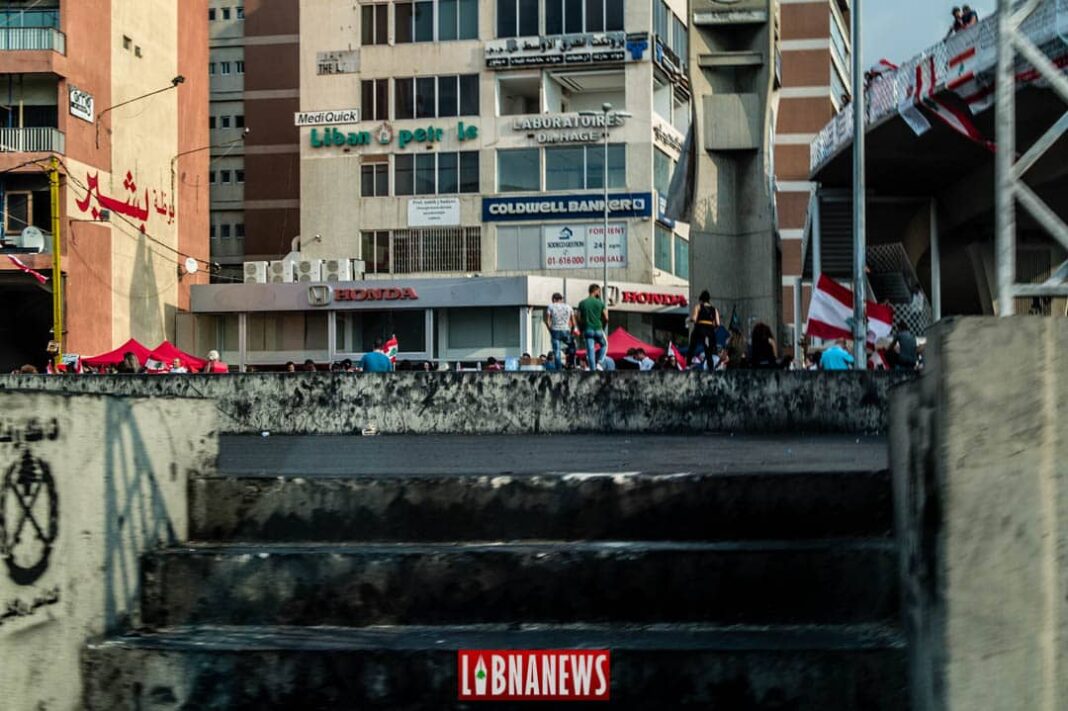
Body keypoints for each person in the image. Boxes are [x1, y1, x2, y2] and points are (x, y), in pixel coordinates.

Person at [577, 283, 608, 371]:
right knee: (604, 345)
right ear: (596, 291)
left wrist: (581, 328)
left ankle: (592, 370)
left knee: (590, 350)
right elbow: (606, 317)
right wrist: (603, 326)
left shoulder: (582, 303)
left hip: (587, 329)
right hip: (598, 328)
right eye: (599, 291)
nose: (599, 293)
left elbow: (578, 318)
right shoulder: (600, 303)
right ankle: (599, 361)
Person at [687, 291, 721, 365]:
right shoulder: (714, 309)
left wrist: (689, 320)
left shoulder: (698, 307)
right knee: (708, 351)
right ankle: (711, 368)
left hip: (700, 329)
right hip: (709, 331)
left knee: (692, 346)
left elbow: (694, 319)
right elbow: (718, 323)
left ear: (701, 299)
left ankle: (688, 364)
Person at [543, 292, 576, 368]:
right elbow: (573, 323)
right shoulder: (568, 307)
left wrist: (550, 330)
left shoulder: (551, 306)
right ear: (561, 299)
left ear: (554, 299)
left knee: (556, 351)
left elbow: (547, 321)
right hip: (566, 330)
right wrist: (571, 332)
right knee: (572, 346)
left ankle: (559, 369)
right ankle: (571, 363)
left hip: (555, 330)